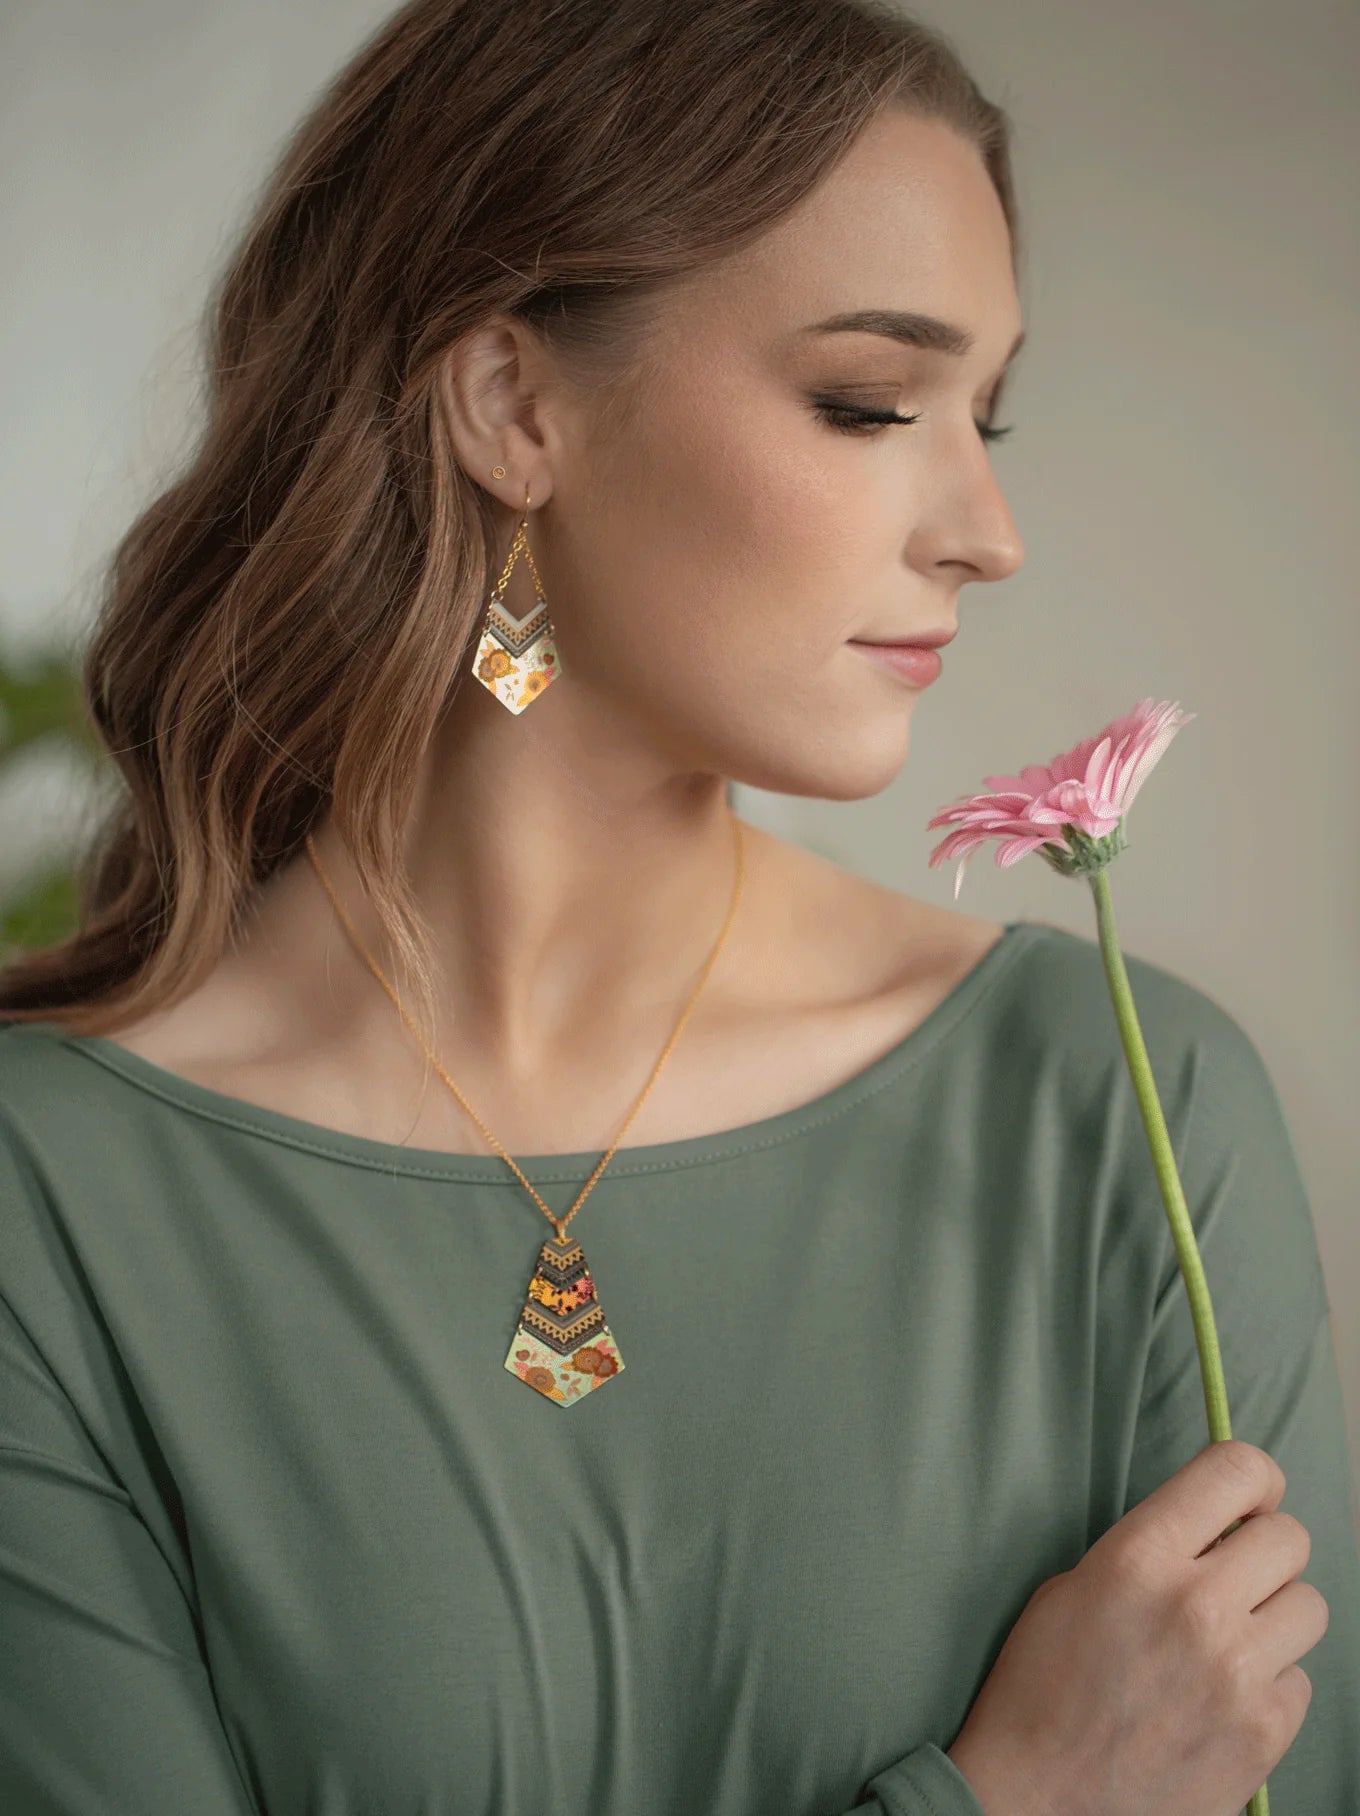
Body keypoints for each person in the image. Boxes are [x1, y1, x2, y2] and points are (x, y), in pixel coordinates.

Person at [1, 1, 1355, 1812]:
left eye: (988, 414)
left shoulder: (1117, 1106)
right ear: (515, 405)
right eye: (872, 401)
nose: (986, 528)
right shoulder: (52, 1203)